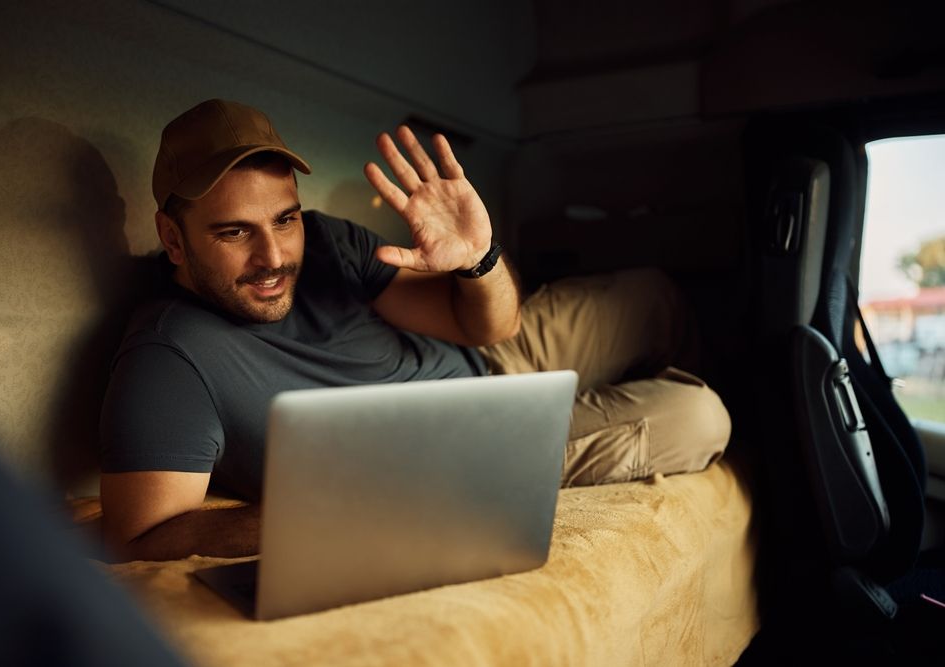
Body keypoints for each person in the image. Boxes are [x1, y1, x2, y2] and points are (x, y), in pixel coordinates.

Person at [99, 99, 730, 562]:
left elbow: (487, 327)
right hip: (464, 447)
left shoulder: (323, 241)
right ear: (172, 239)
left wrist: (477, 259)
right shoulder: (170, 355)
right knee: (701, 417)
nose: (273, 256)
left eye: (283, 219)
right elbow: (139, 534)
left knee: (655, 296)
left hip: (492, 355)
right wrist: (330, 515)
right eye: (234, 232)